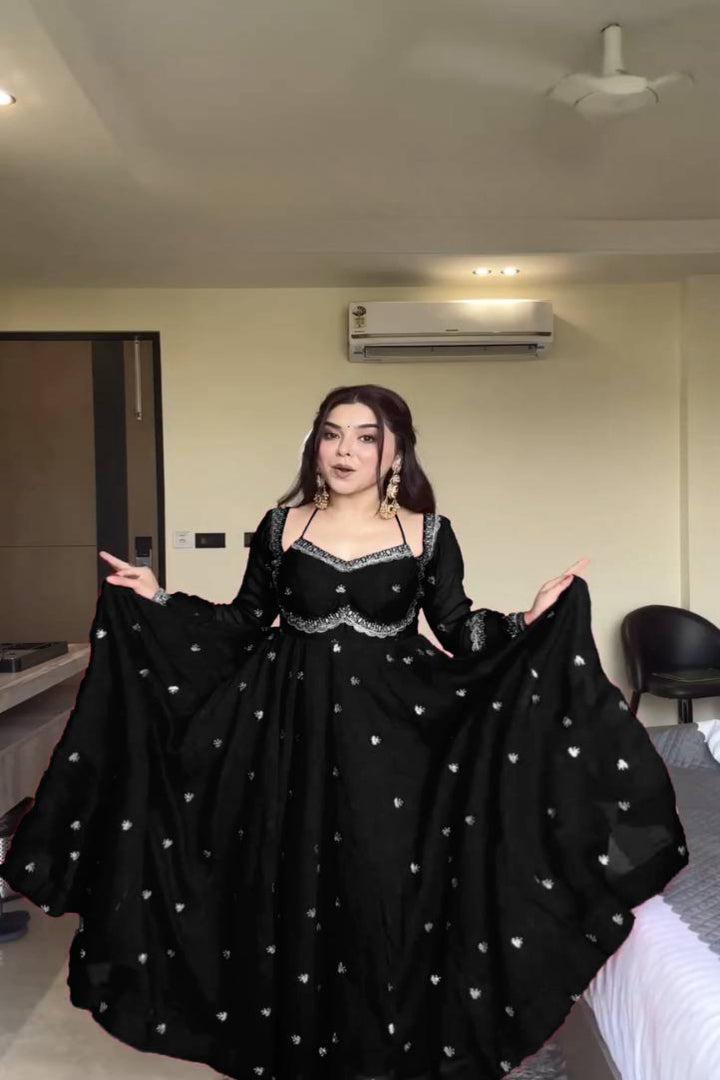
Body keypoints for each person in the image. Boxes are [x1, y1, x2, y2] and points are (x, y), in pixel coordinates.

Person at [1, 384, 688, 1080]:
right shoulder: (282, 526)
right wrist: (157, 598)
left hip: (395, 742)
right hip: (283, 734)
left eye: (365, 436)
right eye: (331, 434)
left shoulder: (427, 533)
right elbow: (241, 621)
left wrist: (528, 618)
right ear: (314, 444)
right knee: (285, 880)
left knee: (380, 882)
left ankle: (379, 1049)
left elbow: (459, 629)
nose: (345, 450)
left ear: (395, 451)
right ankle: (294, 1050)